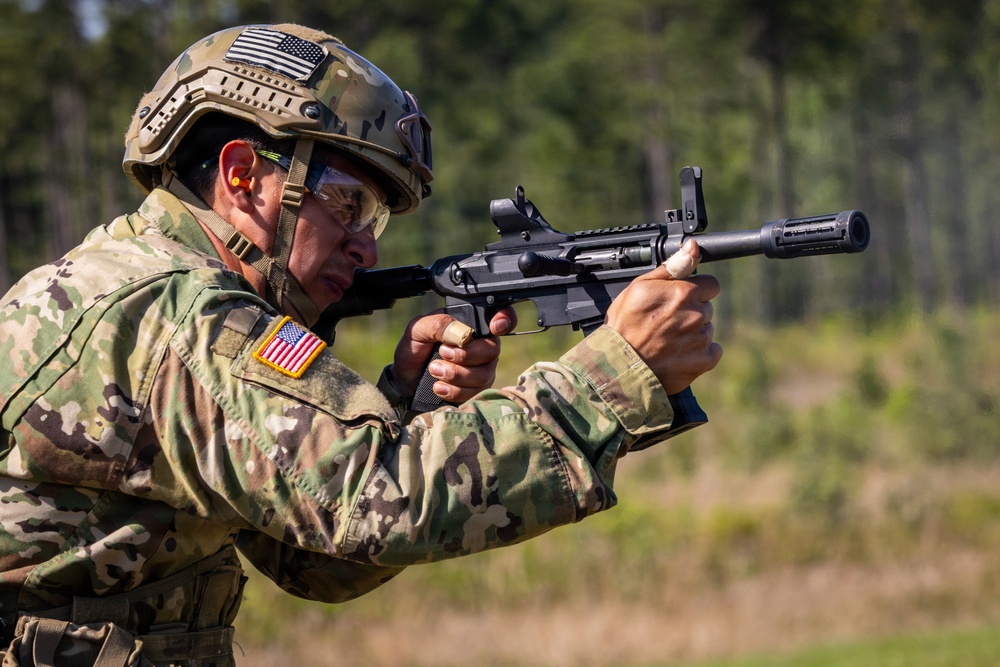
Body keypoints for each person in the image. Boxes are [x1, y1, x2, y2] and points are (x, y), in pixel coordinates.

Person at [0, 23, 722, 666]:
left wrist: (406, 404)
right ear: (243, 176)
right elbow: (372, 500)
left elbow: (311, 556)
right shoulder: (180, 314)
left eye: (375, 218)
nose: (366, 251)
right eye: (349, 203)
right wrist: (608, 380)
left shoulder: (131, 281)